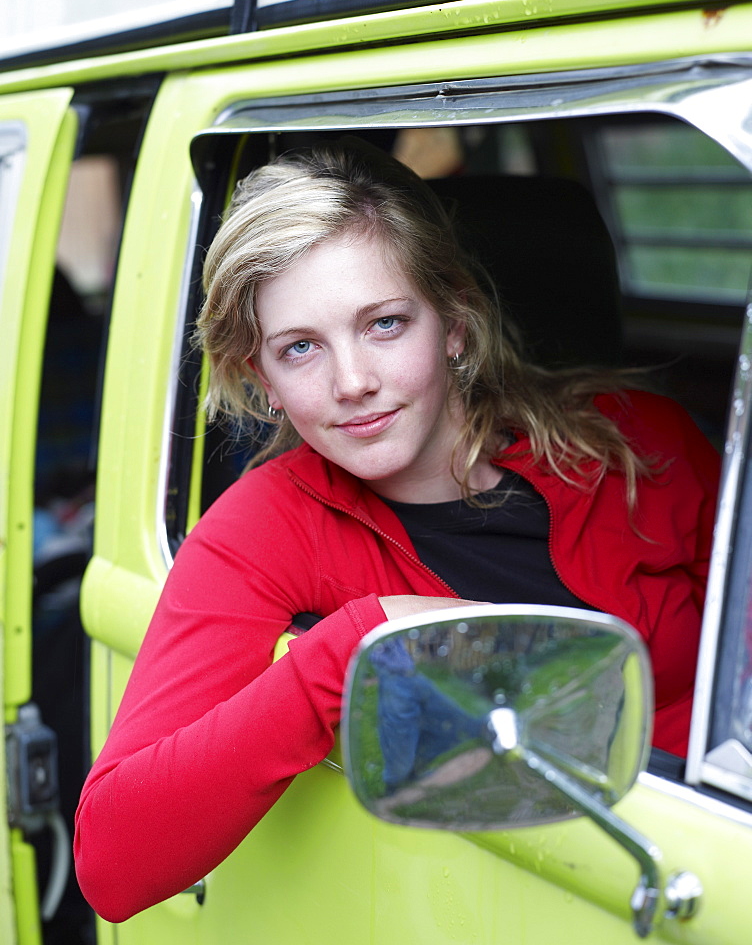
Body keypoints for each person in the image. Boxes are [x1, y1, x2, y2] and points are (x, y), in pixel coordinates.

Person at [74, 139, 720, 922]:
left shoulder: (637, 441)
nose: (352, 383)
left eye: (384, 324)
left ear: (453, 321)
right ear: (263, 379)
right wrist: (353, 648)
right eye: (301, 348)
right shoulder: (266, 526)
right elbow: (113, 861)